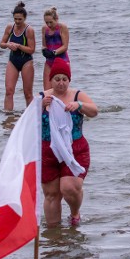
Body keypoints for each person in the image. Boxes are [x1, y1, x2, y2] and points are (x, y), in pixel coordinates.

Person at [40, 59, 97, 227]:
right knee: (51, 195)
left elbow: (94, 111)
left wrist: (79, 105)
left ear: (69, 80)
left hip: (75, 149)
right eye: (57, 79)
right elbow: (27, 122)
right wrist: (40, 107)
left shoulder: (77, 95)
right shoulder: (43, 97)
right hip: (48, 151)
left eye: (64, 79)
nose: (61, 83)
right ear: (51, 80)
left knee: (68, 188)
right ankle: (54, 237)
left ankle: (74, 213)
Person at [0, 1, 36, 111]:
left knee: (28, 93)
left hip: (26, 61)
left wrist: (19, 46)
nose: (17, 21)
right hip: (13, 61)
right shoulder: (10, 27)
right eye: (15, 19)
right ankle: (8, 118)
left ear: (24, 18)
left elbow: (31, 50)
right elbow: (1, 44)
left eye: (20, 19)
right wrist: (8, 45)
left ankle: (31, 117)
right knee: (9, 91)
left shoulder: (29, 30)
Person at [41, 6, 70, 90]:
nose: (49, 25)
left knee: (61, 89)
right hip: (49, 61)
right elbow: (44, 44)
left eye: (51, 22)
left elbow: (65, 46)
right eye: (47, 22)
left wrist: (54, 52)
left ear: (56, 19)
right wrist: (44, 50)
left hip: (62, 60)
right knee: (47, 90)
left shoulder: (62, 27)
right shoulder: (44, 29)